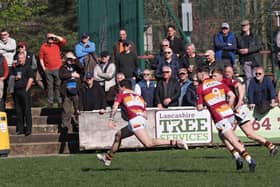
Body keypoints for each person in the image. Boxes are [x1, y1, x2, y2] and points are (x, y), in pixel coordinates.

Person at [96, 79, 188, 166]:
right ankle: (108, 158)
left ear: (123, 87)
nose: (119, 90)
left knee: (148, 144)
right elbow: (144, 109)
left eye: (119, 88)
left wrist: (111, 119)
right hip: (140, 119)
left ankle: (176, 141)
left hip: (135, 120)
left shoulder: (122, 94)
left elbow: (115, 106)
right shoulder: (139, 96)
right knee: (118, 135)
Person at [212, 67, 278, 165]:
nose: (213, 78)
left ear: (220, 76)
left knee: (226, 134)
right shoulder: (214, 85)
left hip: (238, 110)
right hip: (230, 111)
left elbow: (240, 86)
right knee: (247, 134)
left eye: (214, 76)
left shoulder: (227, 81)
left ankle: (239, 153)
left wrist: (239, 101)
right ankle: (271, 146)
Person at [196, 67, 256, 172]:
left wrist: (201, 106)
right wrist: (227, 107)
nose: (196, 77)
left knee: (232, 139)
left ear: (201, 75)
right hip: (229, 114)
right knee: (222, 135)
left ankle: (249, 160)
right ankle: (237, 157)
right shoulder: (219, 83)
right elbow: (232, 96)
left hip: (220, 117)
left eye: (197, 75)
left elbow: (200, 107)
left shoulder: (201, 87)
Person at [39, 33, 67, 107]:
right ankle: (50, 102)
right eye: (49, 38)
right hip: (48, 69)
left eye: (51, 38)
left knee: (58, 85)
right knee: (49, 86)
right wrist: (43, 67)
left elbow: (64, 41)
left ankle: (59, 100)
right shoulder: (43, 46)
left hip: (58, 68)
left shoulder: (57, 44)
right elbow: (41, 58)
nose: (50, 39)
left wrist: (55, 36)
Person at [59, 52, 84, 133]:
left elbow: (82, 69)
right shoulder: (63, 67)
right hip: (66, 92)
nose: (69, 60)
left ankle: (78, 125)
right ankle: (65, 127)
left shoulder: (76, 66)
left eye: (70, 59)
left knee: (78, 109)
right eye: (68, 59)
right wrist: (72, 74)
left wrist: (75, 59)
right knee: (66, 110)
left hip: (76, 91)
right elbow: (61, 76)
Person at [237, 19, 262, 88]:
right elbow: (236, 48)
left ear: (249, 26)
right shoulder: (239, 37)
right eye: (242, 26)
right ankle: (249, 96)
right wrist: (240, 51)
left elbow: (259, 46)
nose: (244, 27)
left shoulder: (255, 36)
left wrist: (248, 50)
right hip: (245, 60)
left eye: (245, 25)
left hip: (255, 60)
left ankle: (256, 95)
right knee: (248, 78)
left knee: (256, 77)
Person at [13, 52, 33, 136]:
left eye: (21, 58)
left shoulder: (28, 67)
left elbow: (31, 79)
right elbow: (12, 77)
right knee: (18, 111)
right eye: (19, 58)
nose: (20, 60)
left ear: (24, 58)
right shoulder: (16, 68)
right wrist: (15, 77)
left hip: (24, 91)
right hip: (16, 91)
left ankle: (28, 129)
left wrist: (26, 90)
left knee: (27, 110)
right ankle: (20, 129)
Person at [0, 29, 16, 109]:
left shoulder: (12, 41)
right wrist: (8, 50)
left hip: (11, 67)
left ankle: (16, 107)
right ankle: (2, 108)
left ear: (8, 35)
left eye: (5, 34)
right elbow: (10, 49)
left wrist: (3, 49)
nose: (3, 36)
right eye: (2, 35)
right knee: (3, 89)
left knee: (12, 88)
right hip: (2, 67)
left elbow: (12, 48)